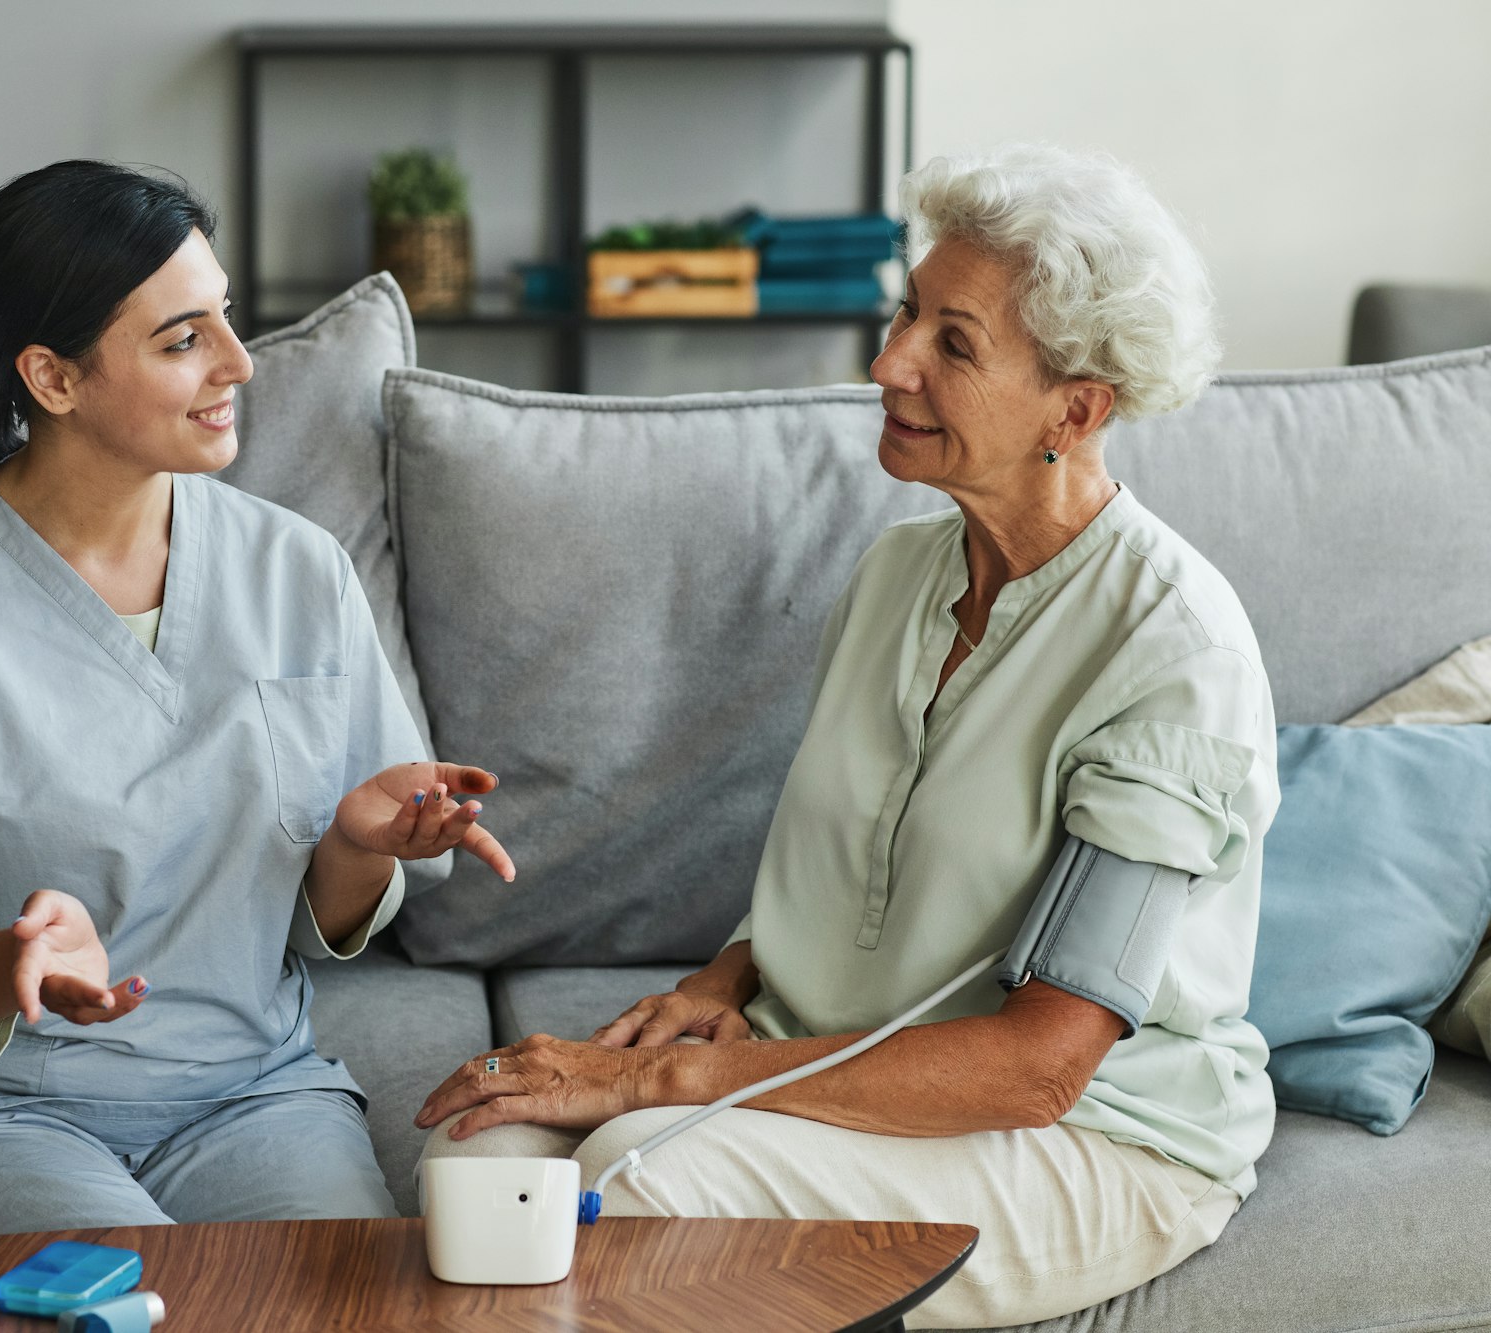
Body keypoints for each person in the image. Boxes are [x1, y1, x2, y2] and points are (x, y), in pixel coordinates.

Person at [415, 143, 1278, 1330]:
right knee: (477, 1156)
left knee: (639, 1176)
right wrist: (722, 981)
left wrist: (663, 1077)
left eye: (951, 344)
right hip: (830, 1058)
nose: (887, 363)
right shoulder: (897, 577)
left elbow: (1041, 1065)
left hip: (1093, 1139)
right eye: (903, 315)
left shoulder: (1170, 652)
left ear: (1073, 410)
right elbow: (849, 864)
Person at [0, 160, 514, 1249]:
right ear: (53, 378)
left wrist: (356, 844)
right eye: (182, 339)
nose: (240, 364)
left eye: (226, 318)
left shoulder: (299, 570)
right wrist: (7, 964)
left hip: (245, 1096)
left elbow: (303, 919)